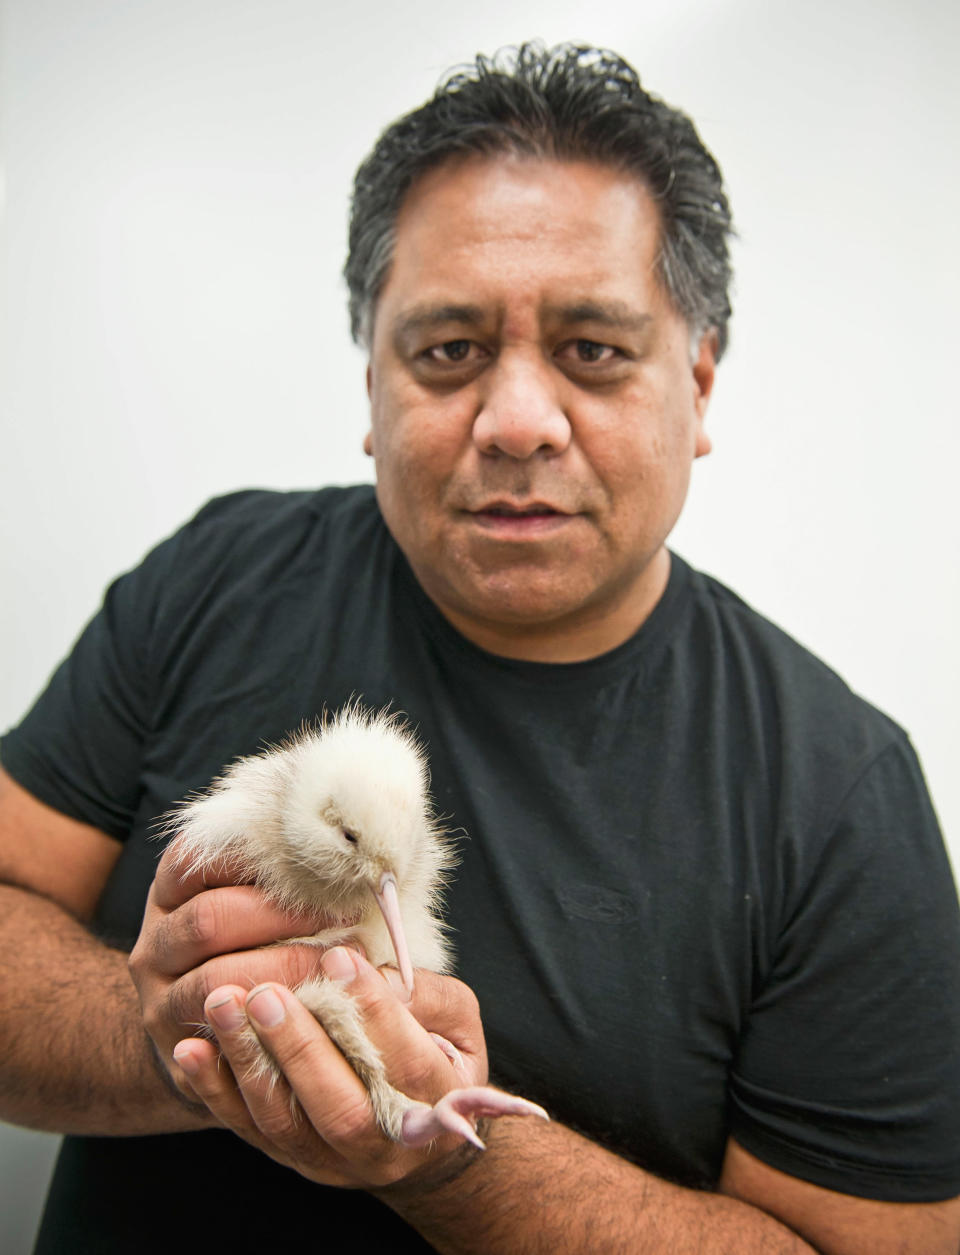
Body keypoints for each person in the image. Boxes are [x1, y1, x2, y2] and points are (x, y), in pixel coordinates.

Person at [2, 41, 959, 1254]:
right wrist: (175, 1040)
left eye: (594, 351)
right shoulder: (219, 577)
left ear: (701, 386)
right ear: (370, 386)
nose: (516, 422)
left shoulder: (839, 793)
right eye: (449, 349)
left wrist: (450, 1153)